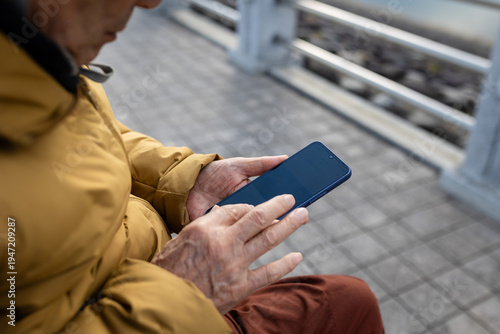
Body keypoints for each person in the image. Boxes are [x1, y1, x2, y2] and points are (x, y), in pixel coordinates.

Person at [0, 0, 385, 333]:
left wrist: (182, 181)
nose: (151, 3)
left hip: (152, 285)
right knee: (346, 304)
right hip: (155, 310)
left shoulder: (38, 59)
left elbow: (79, 143)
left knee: (349, 300)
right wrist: (176, 291)